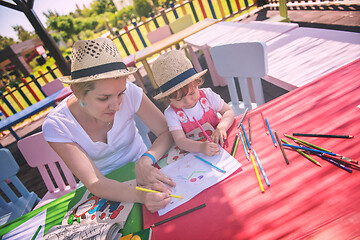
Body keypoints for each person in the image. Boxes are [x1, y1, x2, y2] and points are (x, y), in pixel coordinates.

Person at [42, 38, 175, 213]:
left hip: (147, 170)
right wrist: (141, 196)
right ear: (77, 92)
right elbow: (95, 183)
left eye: (120, 93)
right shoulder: (57, 125)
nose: (117, 106)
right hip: (105, 193)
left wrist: (145, 160)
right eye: (104, 98)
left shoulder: (131, 92)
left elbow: (167, 131)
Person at [152, 50, 235, 156]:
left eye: (192, 93)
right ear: (168, 98)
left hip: (222, 141)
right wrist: (200, 147)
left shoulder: (207, 96)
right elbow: (180, 141)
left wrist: (222, 127)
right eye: (179, 99)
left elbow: (228, 111)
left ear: (197, 83)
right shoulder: (171, 113)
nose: (188, 101)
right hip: (196, 153)